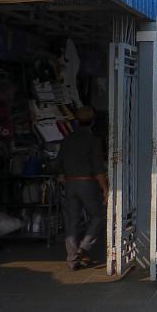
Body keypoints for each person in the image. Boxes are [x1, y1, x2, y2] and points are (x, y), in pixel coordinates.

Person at [57, 106, 108, 270]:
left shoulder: (67, 139)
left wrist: (62, 177)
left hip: (70, 183)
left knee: (72, 220)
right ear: (92, 122)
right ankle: (84, 247)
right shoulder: (93, 141)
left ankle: (72, 259)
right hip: (88, 183)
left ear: (76, 122)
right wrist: (105, 189)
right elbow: (98, 168)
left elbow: (58, 164)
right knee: (98, 215)